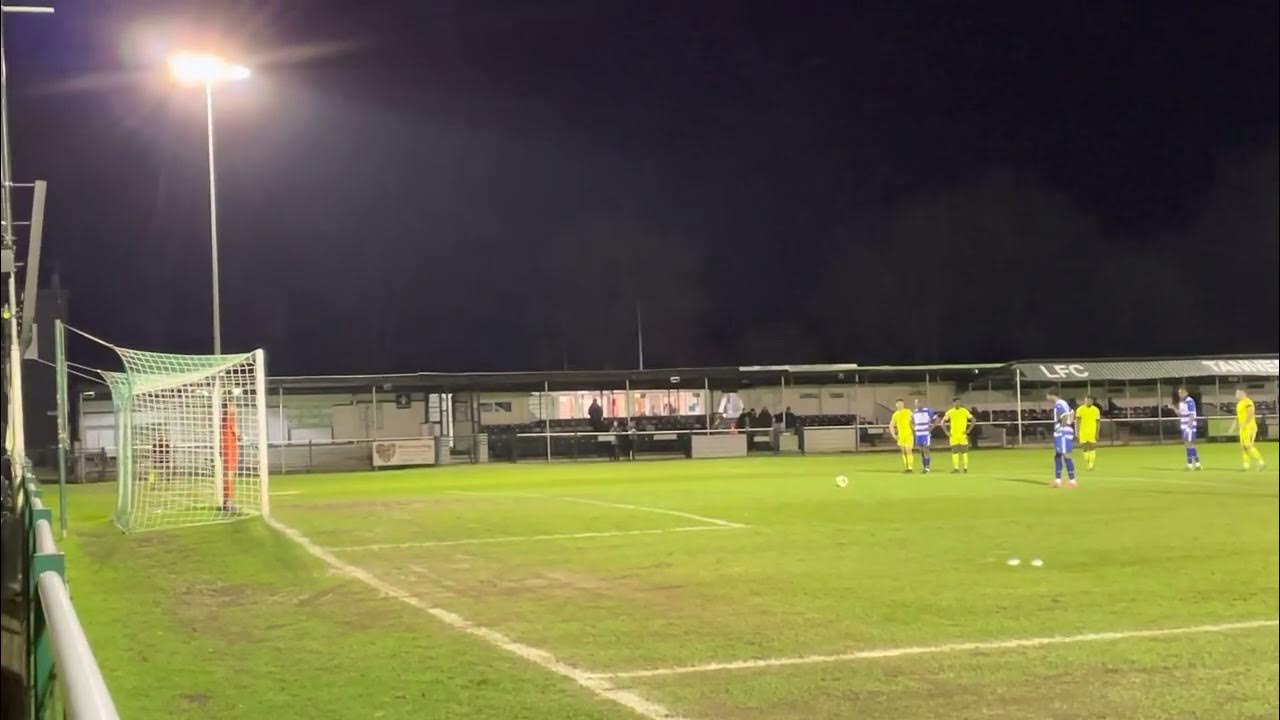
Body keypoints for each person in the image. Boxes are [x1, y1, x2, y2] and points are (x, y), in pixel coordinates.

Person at [1229, 388, 1266, 471]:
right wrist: (1234, 426)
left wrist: (1245, 423)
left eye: (1237, 393)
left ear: (1242, 393)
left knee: (1248, 446)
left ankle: (1261, 462)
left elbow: (1251, 413)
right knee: (1243, 447)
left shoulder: (1248, 402)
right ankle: (1246, 464)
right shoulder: (1239, 404)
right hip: (1243, 428)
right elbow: (1238, 417)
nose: (1236, 395)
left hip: (1249, 427)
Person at [1046, 391, 1076, 488]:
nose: (1046, 397)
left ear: (1051, 395)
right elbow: (1071, 412)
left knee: (1066, 455)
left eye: (1047, 395)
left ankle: (1072, 481)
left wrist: (1061, 427)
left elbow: (1065, 416)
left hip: (1063, 432)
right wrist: (1070, 422)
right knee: (1058, 455)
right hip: (1066, 431)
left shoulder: (1059, 404)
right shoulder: (1064, 403)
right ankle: (1058, 480)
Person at [941, 398, 974, 473]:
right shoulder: (950, 412)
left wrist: (968, 430)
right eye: (956, 402)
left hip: (962, 434)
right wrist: (946, 432)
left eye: (959, 402)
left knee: (964, 451)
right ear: (953, 403)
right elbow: (942, 422)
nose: (958, 404)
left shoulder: (964, 411)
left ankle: (965, 468)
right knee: (954, 451)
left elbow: (973, 420)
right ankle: (956, 468)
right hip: (953, 435)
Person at [1173, 387, 1202, 470]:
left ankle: (1190, 464)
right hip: (1183, 425)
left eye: (1181, 393)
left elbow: (1192, 415)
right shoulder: (1181, 402)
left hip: (1189, 426)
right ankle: (1197, 464)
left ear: (1185, 393)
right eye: (1179, 393)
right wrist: (1173, 408)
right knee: (1188, 444)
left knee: (1189, 444)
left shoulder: (1190, 401)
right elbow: (1180, 414)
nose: (1179, 395)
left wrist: (1189, 427)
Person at [220, 399, 239, 511]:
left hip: (227, 449)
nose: (235, 409)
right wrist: (241, 436)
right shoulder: (230, 418)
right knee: (230, 476)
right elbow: (236, 431)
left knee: (228, 476)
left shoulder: (223, 419)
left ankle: (226, 501)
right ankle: (228, 502)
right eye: (233, 406)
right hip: (230, 450)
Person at [1075, 396, 1101, 470]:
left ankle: (1091, 464)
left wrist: (1097, 432)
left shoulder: (1096, 410)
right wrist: (1076, 431)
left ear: (1092, 402)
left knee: (1092, 446)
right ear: (1084, 401)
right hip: (1082, 431)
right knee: (1084, 448)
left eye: (1089, 401)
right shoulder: (1080, 409)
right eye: (1086, 401)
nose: (1087, 402)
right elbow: (1077, 421)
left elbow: (1098, 422)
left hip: (1092, 430)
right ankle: (1088, 461)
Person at [911, 399, 936, 473]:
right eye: (916, 403)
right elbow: (911, 421)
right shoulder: (914, 412)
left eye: (919, 403)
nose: (918, 404)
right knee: (921, 451)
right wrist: (914, 428)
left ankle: (927, 468)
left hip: (925, 434)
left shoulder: (928, 411)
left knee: (926, 450)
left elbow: (936, 419)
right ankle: (924, 466)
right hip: (918, 434)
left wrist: (931, 428)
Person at [889, 399, 915, 473]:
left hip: (909, 434)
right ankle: (906, 466)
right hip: (901, 436)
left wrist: (914, 427)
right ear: (896, 405)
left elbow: (913, 420)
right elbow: (891, 425)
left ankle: (910, 467)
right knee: (903, 451)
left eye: (901, 404)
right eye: (898, 404)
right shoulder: (895, 414)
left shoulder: (908, 411)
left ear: (903, 404)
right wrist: (893, 434)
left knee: (908, 450)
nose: (899, 405)